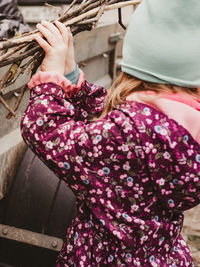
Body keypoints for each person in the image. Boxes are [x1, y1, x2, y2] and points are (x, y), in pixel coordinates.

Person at [20, 0, 200, 266]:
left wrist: (52, 78)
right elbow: (120, 118)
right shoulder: (178, 127)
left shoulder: (129, 134)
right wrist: (71, 77)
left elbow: (47, 132)